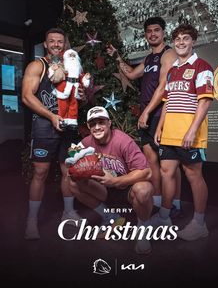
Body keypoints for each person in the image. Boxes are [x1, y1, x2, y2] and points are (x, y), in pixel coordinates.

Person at [107, 17, 182, 215]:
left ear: (163, 32)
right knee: (151, 161)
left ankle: (176, 205)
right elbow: (131, 74)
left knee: (171, 165)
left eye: (156, 30)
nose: (152, 34)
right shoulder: (149, 58)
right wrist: (117, 57)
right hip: (147, 115)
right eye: (149, 31)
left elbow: (164, 86)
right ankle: (157, 202)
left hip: (162, 114)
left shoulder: (169, 54)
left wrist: (147, 112)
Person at [22, 28, 84, 240]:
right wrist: (50, 116)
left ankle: (68, 212)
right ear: (46, 44)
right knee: (40, 172)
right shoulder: (37, 65)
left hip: (68, 126)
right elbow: (27, 96)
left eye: (60, 41)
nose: (56, 44)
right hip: (44, 125)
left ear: (64, 44)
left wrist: (82, 92)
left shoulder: (71, 66)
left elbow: (77, 95)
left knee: (68, 170)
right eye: (52, 41)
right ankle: (32, 221)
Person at [154, 24, 214, 240]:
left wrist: (192, 131)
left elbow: (205, 102)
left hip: (189, 134)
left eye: (185, 38)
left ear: (193, 41)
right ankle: (164, 217)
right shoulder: (172, 71)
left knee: (193, 174)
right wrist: (160, 126)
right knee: (166, 172)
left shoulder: (202, 66)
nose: (180, 42)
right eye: (177, 39)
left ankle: (199, 224)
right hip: (169, 133)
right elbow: (167, 103)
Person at [69, 106, 154, 254]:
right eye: (92, 124)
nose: (97, 127)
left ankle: (143, 230)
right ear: (88, 127)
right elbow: (72, 166)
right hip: (103, 189)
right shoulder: (85, 143)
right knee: (72, 183)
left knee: (144, 190)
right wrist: (76, 170)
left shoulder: (123, 141)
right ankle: (111, 217)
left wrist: (115, 181)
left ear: (109, 123)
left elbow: (147, 172)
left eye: (101, 122)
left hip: (127, 188)